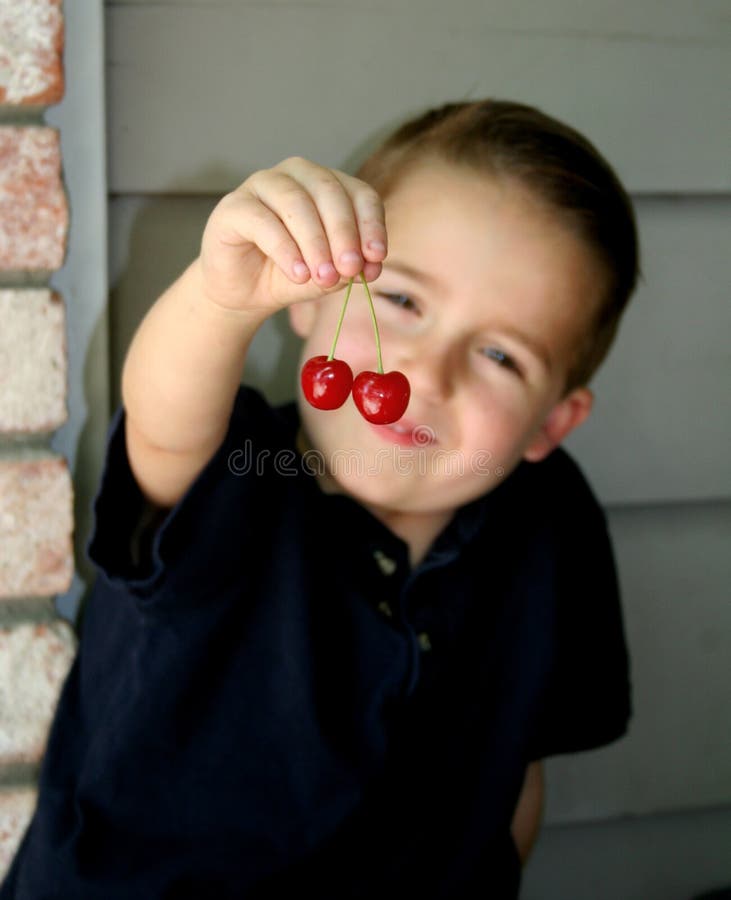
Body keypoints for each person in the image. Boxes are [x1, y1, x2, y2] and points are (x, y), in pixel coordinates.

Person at [1, 99, 638, 899]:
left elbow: (518, 765)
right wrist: (226, 299)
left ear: (552, 422)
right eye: (400, 301)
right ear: (308, 299)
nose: (424, 375)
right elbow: (163, 427)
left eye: (500, 355)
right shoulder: (237, 468)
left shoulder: (549, 526)